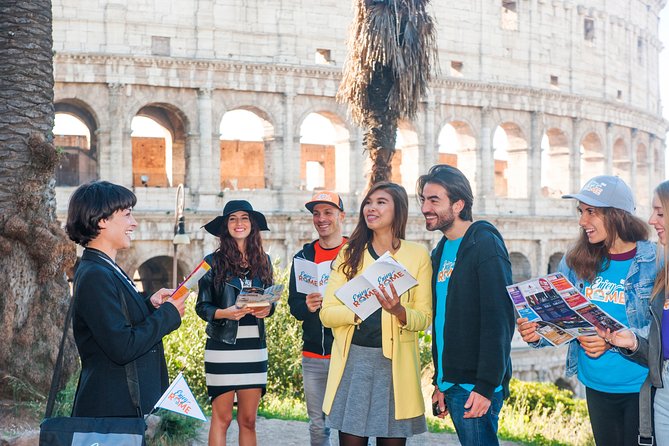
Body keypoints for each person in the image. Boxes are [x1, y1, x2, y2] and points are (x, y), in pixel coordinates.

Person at [517, 175, 656, 446]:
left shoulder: (655, 261)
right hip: (594, 383)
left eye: (591, 212)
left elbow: (662, 330)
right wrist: (537, 333)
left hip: (640, 386)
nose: (582, 221)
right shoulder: (574, 260)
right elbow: (563, 321)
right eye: (581, 211)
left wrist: (613, 342)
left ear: (617, 215)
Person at [320, 182, 432, 446]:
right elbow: (326, 314)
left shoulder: (417, 255)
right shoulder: (349, 254)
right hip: (354, 362)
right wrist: (357, 310)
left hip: (396, 368)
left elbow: (424, 317)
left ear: (398, 210)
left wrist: (399, 311)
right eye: (368, 202)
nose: (371, 208)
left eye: (381, 202)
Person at [65, 180, 185, 417]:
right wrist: (167, 316)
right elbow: (122, 346)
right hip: (114, 410)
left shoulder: (105, 268)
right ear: (102, 220)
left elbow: (117, 321)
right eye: (127, 215)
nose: (134, 222)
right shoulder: (95, 274)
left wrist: (150, 306)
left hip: (124, 405)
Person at [417, 165, 515, 446]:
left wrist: (485, 386)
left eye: (434, 200)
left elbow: (499, 320)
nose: (425, 207)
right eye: (424, 199)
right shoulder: (441, 250)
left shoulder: (485, 245)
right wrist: (440, 383)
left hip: (476, 386)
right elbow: (443, 320)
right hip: (454, 383)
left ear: (458, 204)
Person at [196, 200, 275, 446]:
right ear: (225, 226)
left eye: (244, 218)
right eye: (232, 218)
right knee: (222, 419)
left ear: (252, 224)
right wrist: (225, 313)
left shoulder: (265, 261)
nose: (239, 223)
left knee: (249, 420)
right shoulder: (211, 261)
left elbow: (272, 301)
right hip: (222, 348)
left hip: (254, 349)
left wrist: (268, 309)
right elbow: (202, 306)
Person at [597, 179, 669, 445]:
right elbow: (659, 341)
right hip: (662, 392)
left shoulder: (655, 261)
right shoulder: (666, 273)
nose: (651, 220)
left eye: (660, 213)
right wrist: (632, 341)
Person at [288, 191, 347, 446]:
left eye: (328, 212)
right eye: (316, 213)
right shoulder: (302, 258)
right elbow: (294, 305)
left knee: (350, 422)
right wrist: (307, 306)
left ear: (341, 216)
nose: (321, 218)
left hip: (347, 353)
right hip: (313, 355)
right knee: (317, 424)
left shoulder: (356, 253)